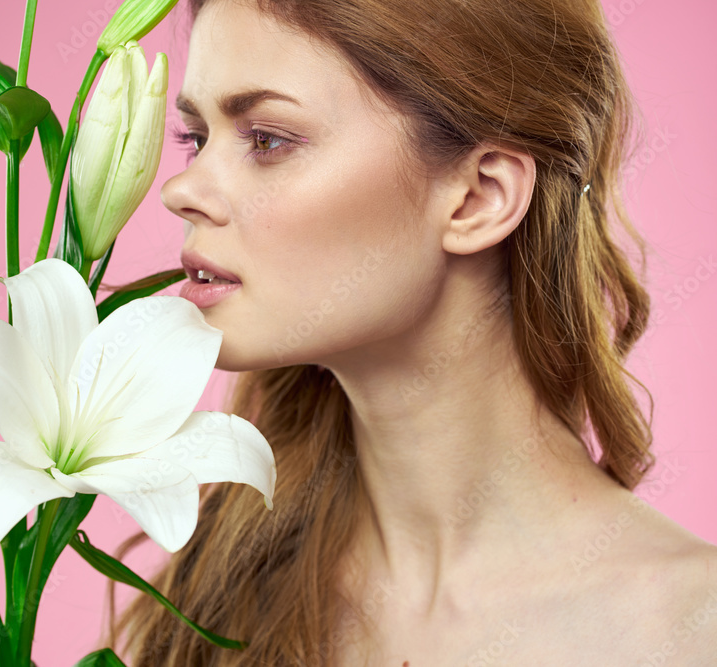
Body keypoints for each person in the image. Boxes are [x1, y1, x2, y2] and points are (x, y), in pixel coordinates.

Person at [110, 0, 717, 664]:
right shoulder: (218, 585)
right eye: (196, 138)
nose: (181, 189)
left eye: (266, 139)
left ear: (479, 196)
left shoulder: (689, 627)